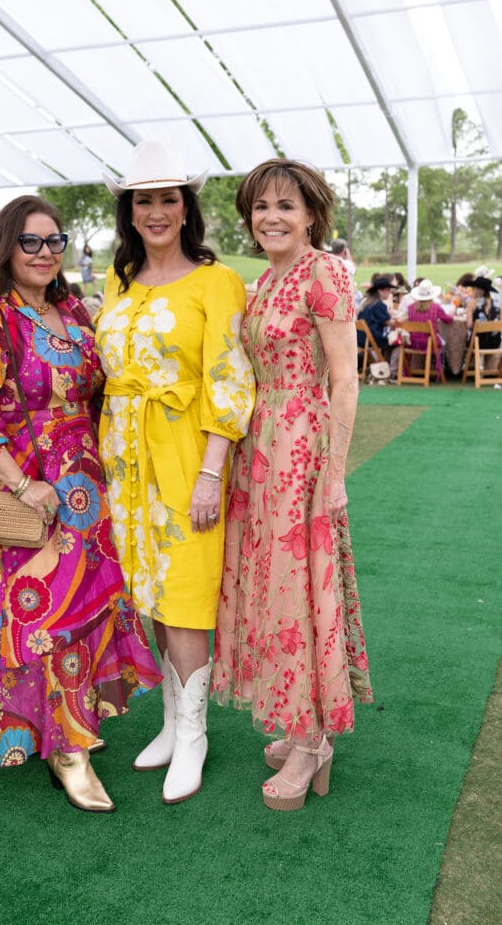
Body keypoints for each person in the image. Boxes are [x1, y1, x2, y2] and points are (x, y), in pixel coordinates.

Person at [0, 194, 161, 814]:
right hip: (30, 494)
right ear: (5, 246)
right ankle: (67, 752)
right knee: (44, 620)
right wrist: (22, 483)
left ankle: (73, 723)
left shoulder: (73, 311)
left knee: (85, 609)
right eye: (30, 242)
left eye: (54, 241)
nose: (44, 253)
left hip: (87, 487)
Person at [211, 158, 372, 812]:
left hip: (301, 449)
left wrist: (332, 475)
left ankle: (312, 743)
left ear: (310, 214)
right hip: (260, 448)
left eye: (284, 205)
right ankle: (294, 718)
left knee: (301, 591)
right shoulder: (261, 282)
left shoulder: (323, 271)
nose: (270, 217)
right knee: (272, 590)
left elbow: (344, 378)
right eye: (259, 207)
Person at [97, 140, 255, 804]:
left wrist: (211, 472)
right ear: (129, 210)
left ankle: (194, 733)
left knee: (186, 591)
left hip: (186, 455)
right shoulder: (117, 280)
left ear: (185, 207)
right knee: (151, 592)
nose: (155, 210)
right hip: (122, 460)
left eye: (167, 198)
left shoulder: (216, 282)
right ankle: (168, 721)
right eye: (144, 199)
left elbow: (229, 377)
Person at [404, 278, 453, 375]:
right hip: (429, 342)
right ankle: (439, 370)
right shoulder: (435, 307)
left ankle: (410, 371)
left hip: (412, 342)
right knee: (444, 342)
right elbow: (447, 319)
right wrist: (452, 314)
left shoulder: (410, 308)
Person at [466, 275, 501, 363]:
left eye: (473, 288)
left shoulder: (472, 303)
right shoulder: (498, 303)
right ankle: (486, 367)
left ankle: (472, 366)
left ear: (477, 290)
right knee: (488, 337)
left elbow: (469, 325)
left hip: (478, 343)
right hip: (495, 342)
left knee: (468, 339)